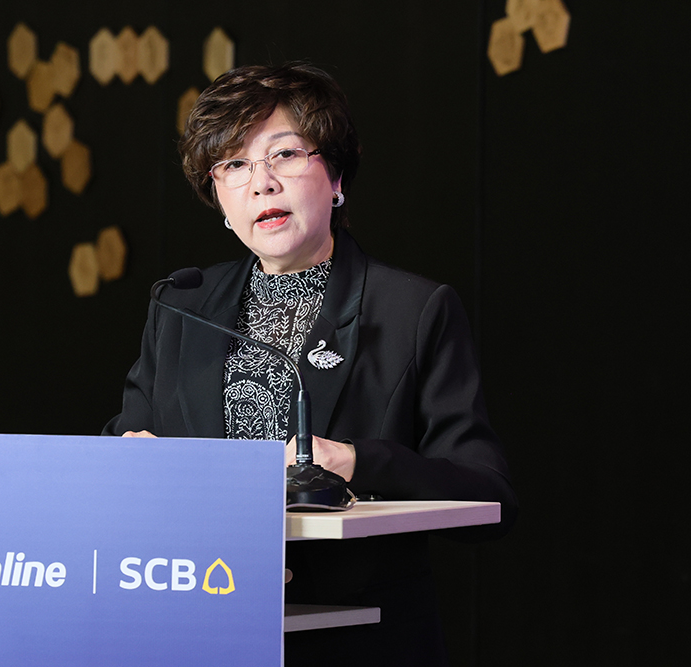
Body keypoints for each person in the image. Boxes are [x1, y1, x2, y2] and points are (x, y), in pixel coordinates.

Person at [103, 62, 516, 665]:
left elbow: (489, 496)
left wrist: (356, 461)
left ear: (337, 175)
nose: (262, 184)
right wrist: (124, 461)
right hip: (203, 631)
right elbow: (123, 445)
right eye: (234, 164)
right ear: (218, 198)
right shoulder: (183, 305)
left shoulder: (412, 310)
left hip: (356, 640)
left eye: (285, 154)